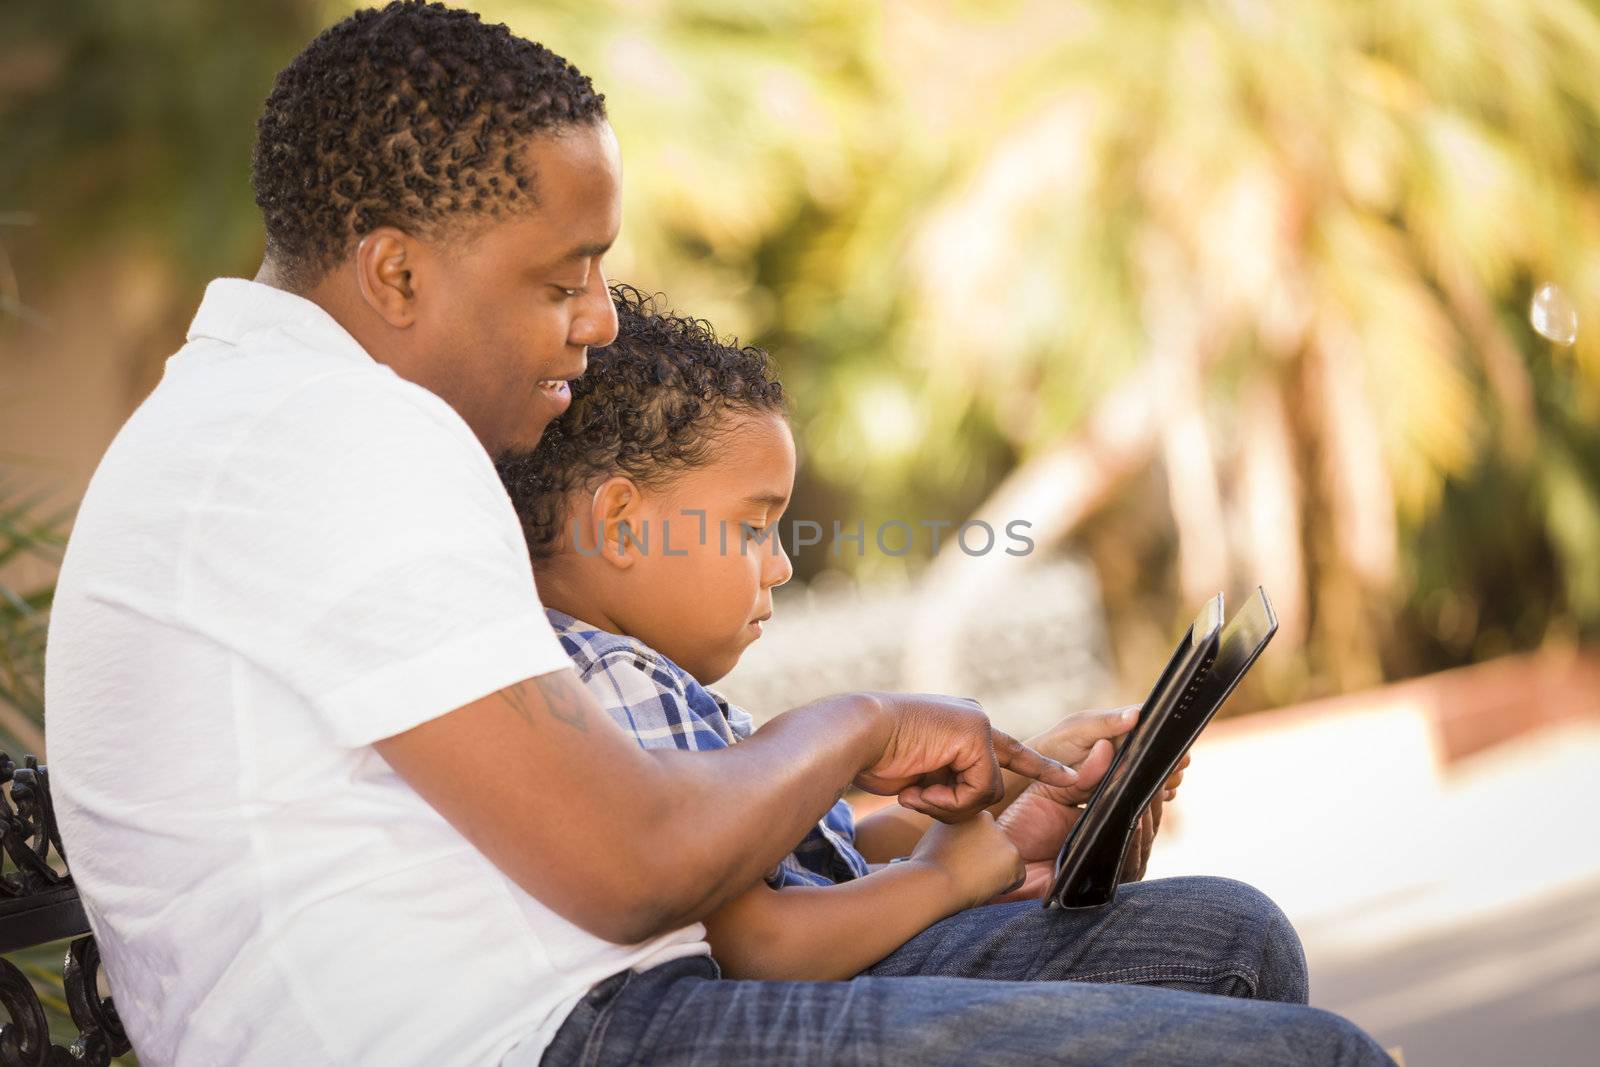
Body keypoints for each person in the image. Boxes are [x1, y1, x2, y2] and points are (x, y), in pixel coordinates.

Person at [41, 4, 1395, 1064]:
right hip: (546, 1037)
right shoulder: (322, 441)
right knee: (1309, 1053)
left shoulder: (288, 418)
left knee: (1220, 942)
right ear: (397, 271)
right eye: (561, 279)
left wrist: (942, 825)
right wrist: (860, 725)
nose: (603, 320)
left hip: (599, 999)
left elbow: (606, 820)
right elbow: (638, 863)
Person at [497, 283, 1188, 982]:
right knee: (1216, 932)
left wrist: (1019, 781)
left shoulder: (628, 680)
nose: (782, 562)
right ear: (620, 525)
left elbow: (825, 855)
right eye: (752, 527)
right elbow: (762, 942)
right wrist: (945, 882)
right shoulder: (615, 680)